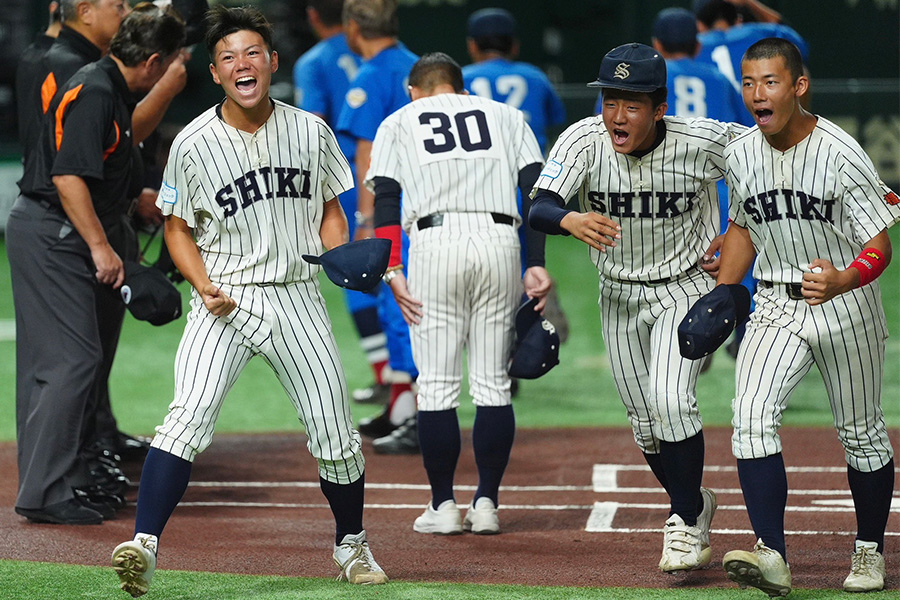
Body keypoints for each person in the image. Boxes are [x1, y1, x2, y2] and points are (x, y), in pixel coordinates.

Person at [110, 6, 387, 596]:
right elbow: (179, 227)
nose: (243, 64)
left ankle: (353, 546)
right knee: (187, 418)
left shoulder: (311, 131)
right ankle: (145, 546)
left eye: (253, 52)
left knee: (334, 427)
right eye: (230, 56)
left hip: (294, 298)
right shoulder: (192, 142)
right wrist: (202, 282)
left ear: (272, 62)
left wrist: (338, 252)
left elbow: (331, 209)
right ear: (215, 72)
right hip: (224, 300)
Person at [529, 43, 746, 574]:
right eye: (609, 101)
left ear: (658, 107)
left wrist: (739, 231)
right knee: (646, 426)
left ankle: (684, 521)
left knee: (672, 403)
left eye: (631, 104)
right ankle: (695, 503)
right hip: (618, 296)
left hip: (684, 288)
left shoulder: (705, 139)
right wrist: (569, 221)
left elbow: (768, 162)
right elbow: (539, 206)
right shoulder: (583, 139)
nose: (617, 115)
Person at [715, 37, 897, 596]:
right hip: (774, 303)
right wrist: (724, 289)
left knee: (862, 434)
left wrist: (845, 277)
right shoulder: (742, 153)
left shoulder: (841, 152)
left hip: (848, 306)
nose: (756, 94)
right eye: (748, 83)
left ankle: (869, 551)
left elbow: (878, 243)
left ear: (798, 86)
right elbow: (746, 226)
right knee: (749, 417)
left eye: (769, 82)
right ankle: (772, 553)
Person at [7, 3, 185, 526]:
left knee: (63, 363)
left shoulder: (105, 83)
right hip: (54, 232)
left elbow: (102, 165)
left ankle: (64, 477)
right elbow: (67, 177)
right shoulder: (98, 89)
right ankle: (45, 491)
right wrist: (102, 249)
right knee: (71, 361)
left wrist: (135, 201)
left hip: (59, 229)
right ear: (153, 63)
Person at [367, 52, 549, 534]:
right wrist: (535, 263)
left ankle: (443, 507)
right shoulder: (507, 116)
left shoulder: (399, 120)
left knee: (437, 386)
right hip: (500, 242)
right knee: (492, 383)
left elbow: (385, 196)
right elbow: (535, 190)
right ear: (462, 89)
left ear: (414, 91)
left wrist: (392, 267)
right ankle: (486, 504)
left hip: (434, 244)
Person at [293, 0, 392, 406]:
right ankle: (407, 377)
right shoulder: (388, 54)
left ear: (314, 15)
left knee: (357, 276)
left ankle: (388, 375)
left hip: (349, 176)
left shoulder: (313, 61)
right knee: (398, 270)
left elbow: (309, 128)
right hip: (400, 174)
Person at [462, 7, 570, 379]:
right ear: (514, 44)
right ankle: (525, 333)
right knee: (528, 266)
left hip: (480, 190)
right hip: (530, 186)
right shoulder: (535, 77)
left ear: (472, 46)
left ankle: (497, 351)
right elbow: (554, 120)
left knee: (484, 273)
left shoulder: (463, 79)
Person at [650, 6, 756, 363]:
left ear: (656, 45)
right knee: (738, 267)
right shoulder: (717, 77)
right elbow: (748, 135)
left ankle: (680, 324)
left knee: (665, 266)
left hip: (660, 191)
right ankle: (742, 337)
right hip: (719, 189)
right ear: (698, 45)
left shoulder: (645, 81)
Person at [337, 0, 420, 454]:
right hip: (426, 202)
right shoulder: (417, 66)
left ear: (353, 29)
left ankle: (417, 416)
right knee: (405, 304)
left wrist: (367, 221)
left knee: (398, 305)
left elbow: (367, 155)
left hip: (393, 210)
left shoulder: (370, 75)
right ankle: (403, 405)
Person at [692, 0, 809, 97]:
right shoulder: (757, 32)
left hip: (710, 121)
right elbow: (799, 47)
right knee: (800, 71)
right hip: (760, 116)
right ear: (738, 20)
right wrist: (749, 2)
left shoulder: (695, 45)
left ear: (699, 24)